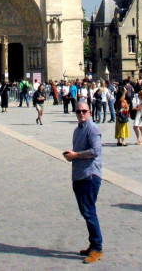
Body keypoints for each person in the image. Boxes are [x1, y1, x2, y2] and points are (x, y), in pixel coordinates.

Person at [62, 98, 103, 265]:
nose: (81, 114)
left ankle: (97, 248)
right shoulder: (77, 130)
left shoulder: (92, 129)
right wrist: (71, 156)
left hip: (90, 175)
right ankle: (93, 244)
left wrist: (76, 156)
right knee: (86, 212)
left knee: (89, 212)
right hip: (79, 174)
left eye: (84, 111)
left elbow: (95, 151)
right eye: (78, 111)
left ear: (89, 112)